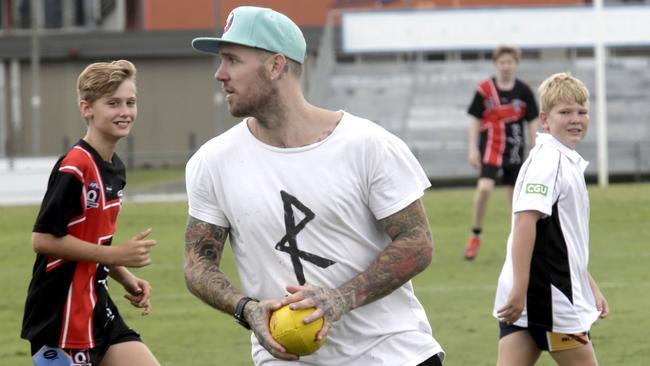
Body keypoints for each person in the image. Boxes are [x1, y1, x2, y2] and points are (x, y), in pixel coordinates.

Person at [184, 6, 445, 366]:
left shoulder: (369, 145)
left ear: (276, 66)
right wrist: (246, 309)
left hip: (391, 354)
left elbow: (418, 242)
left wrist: (340, 298)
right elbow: (198, 262)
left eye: (232, 60)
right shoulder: (212, 161)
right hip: (283, 357)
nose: (220, 74)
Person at [21, 60, 160, 366]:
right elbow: (43, 240)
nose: (124, 112)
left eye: (130, 102)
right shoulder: (75, 166)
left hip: (96, 305)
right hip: (62, 316)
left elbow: (93, 242)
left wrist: (125, 278)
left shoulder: (114, 168)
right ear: (87, 109)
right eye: (113, 103)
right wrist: (118, 256)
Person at [493, 72, 609, 366]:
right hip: (549, 301)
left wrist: (589, 284)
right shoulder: (549, 161)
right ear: (544, 120)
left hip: (532, 300)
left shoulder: (564, 159)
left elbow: (561, 238)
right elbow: (524, 223)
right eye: (565, 112)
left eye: (582, 112)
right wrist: (521, 290)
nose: (575, 119)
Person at [464, 45, 539, 260]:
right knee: (485, 188)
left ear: (515, 64)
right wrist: (472, 149)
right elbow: (475, 119)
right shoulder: (485, 90)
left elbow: (532, 121)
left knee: (516, 201)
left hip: (515, 150)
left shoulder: (524, 91)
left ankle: (519, 242)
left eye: (510, 62)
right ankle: (475, 234)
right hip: (490, 149)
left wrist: (535, 147)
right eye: (502, 62)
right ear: (496, 64)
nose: (506, 66)